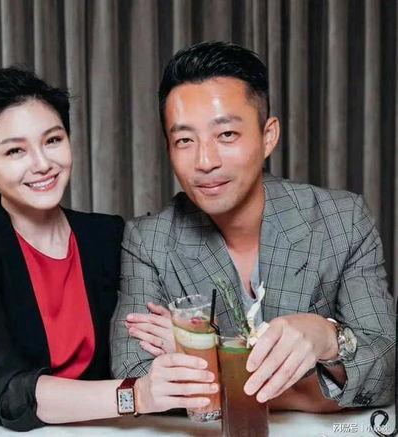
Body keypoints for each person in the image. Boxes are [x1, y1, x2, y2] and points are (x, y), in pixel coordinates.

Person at [0, 68, 219, 431]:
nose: (42, 164)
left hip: (76, 429)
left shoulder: (108, 235)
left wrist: (183, 341)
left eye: (53, 140)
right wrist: (137, 395)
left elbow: (144, 336)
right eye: (15, 150)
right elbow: (8, 393)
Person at [111, 41, 395, 412]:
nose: (205, 161)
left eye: (226, 135)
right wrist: (313, 387)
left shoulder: (341, 219)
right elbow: (135, 376)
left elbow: (386, 369)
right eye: (184, 140)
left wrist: (328, 338)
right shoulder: (149, 240)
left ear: (268, 136)